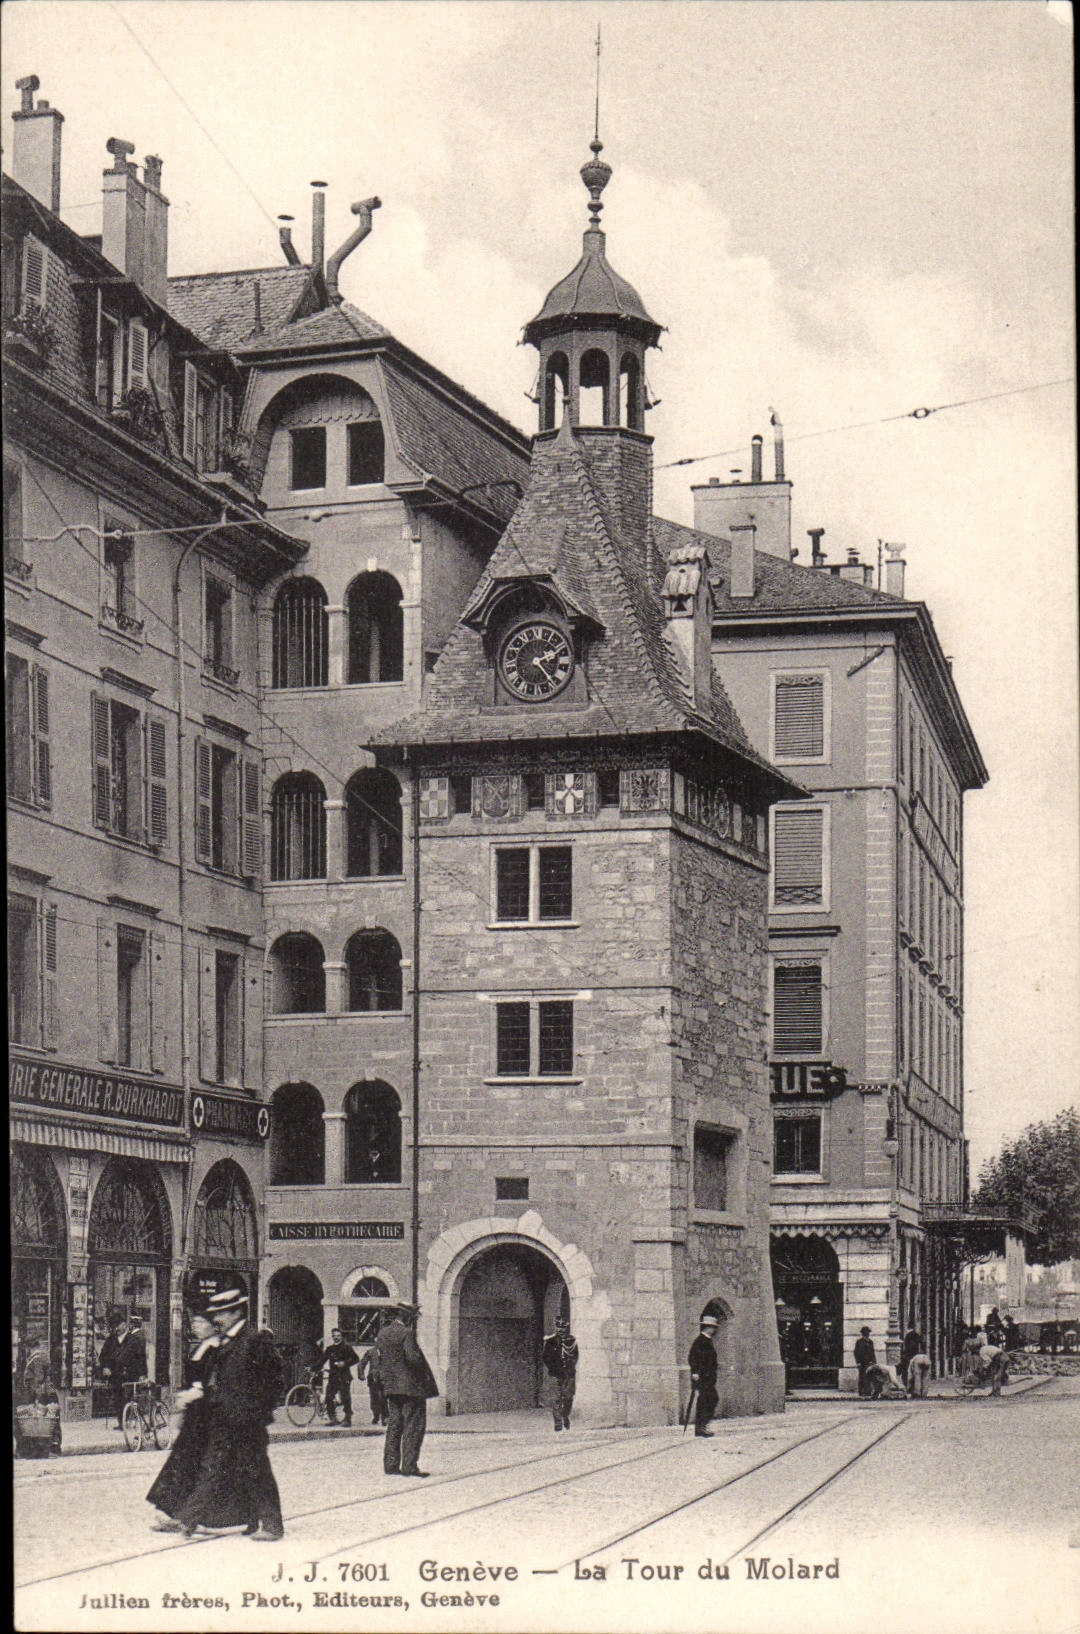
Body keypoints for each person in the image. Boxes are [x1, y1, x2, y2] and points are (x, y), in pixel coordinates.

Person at [175, 1289, 284, 1541]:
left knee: (256, 1470)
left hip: (248, 1422)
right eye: (215, 1314)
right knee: (212, 1467)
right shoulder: (226, 1341)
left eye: (222, 1314)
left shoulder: (255, 1340)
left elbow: (276, 1379)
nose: (217, 1319)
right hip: (224, 1419)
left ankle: (272, 1525)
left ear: (236, 1313)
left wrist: (258, 1411)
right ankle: (190, 1520)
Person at [146, 1311, 248, 1532]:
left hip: (206, 1414)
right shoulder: (201, 1347)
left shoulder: (216, 1349)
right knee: (185, 1463)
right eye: (194, 1322)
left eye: (201, 1322)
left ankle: (196, 1516)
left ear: (212, 1325)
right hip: (195, 1413)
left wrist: (195, 1394)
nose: (196, 1326)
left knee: (199, 1464)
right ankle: (176, 1513)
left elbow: (213, 1382)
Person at [369, 1302, 438, 1478]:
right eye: (413, 1317)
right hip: (410, 1388)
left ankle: (391, 1465)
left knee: (394, 1425)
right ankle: (409, 1466)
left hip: (391, 1388)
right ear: (407, 1317)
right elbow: (413, 1358)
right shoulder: (407, 1333)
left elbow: (378, 1358)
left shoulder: (383, 1333)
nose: (414, 1321)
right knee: (413, 1427)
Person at [542, 1315, 579, 1432]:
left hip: (568, 1374)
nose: (561, 1329)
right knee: (556, 1398)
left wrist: (569, 1369)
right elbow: (546, 1357)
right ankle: (558, 1422)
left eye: (563, 1327)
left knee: (568, 1398)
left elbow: (575, 1356)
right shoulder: (550, 1341)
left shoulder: (571, 1341)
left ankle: (565, 1415)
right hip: (555, 1374)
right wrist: (554, 1368)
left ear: (566, 1327)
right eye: (559, 1327)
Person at [317, 1329, 359, 1426]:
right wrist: (312, 1368)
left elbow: (356, 1359)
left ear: (342, 1337)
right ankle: (332, 1418)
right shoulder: (330, 1349)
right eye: (334, 1336)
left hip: (344, 1377)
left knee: (345, 1398)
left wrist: (345, 1363)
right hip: (333, 1377)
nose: (336, 1338)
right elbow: (322, 1360)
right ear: (332, 1337)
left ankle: (347, 1419)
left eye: (338, 1335)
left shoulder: (347, 1347)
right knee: (328, 1397)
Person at [688, 1314, 720, 1437]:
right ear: (708, 1328)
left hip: (708, 1377)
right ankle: (702, 1427)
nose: (714, 1330)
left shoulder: (707, 1340)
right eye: (713, 1327)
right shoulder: (700, 1341)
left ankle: (703, 1426)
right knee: (707, 1400)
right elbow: (693, 1357)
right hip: (703, 1377)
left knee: (709, 1399)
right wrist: (695, 1372)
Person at [358, 1340, 388, 1425]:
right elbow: (362, 1363)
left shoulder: (388, 1352)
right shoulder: (371, 1352)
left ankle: (385, 1417)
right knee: (374, 1398)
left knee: (384, 1397)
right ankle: (376, 1415)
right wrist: (361, 1374)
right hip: (373, 1378)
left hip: (385, 1378)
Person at [854, 1327, 877, 1398]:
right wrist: (858, 1362)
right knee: (862, 1376)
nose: (867, 1334)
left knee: (869, 1376)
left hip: (869, 1362)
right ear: (863, 1333)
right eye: (866, 1332)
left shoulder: (870, 1342)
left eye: (868, 1332)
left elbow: (872, 1352)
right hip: (862, 1362)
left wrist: (874, 1361)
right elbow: (856, 1352)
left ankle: (868, 1391)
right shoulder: (859, 1342)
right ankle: (861, 1391)